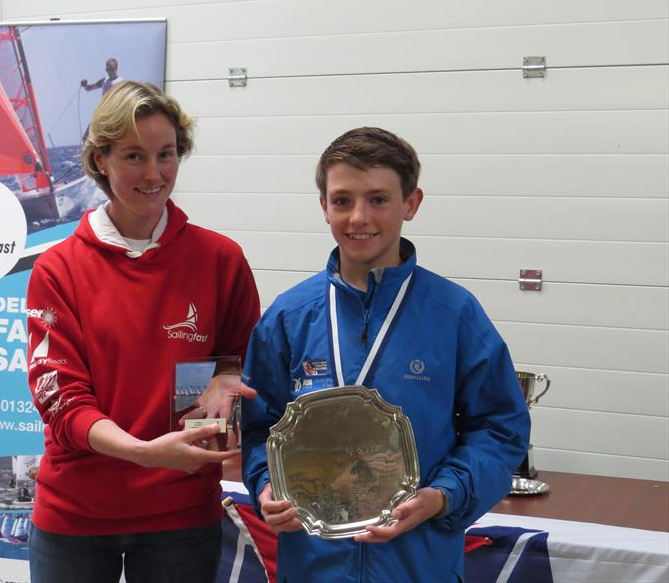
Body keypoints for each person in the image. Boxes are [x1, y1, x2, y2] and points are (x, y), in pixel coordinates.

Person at [241, 127, 530, 582]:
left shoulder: (453, 314)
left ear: (411, 204)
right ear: (323, 206)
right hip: (314, 566)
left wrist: (444, 495)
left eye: (378, 199)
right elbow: (260, 428)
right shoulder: (289, 317)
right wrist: (266, 484)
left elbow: (500, 428)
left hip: (419, 564)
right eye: (342, 200)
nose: (359, 217)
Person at [26, 80, 261, 583]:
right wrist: (145, 453)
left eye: (166, 154)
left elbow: (240, 354)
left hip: (182, 514)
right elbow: (62, 401)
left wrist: (227, 375)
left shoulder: (220, 260)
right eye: (134, 156)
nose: (154, 174)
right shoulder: (58, 270)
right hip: (77, 515)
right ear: (100, 160)